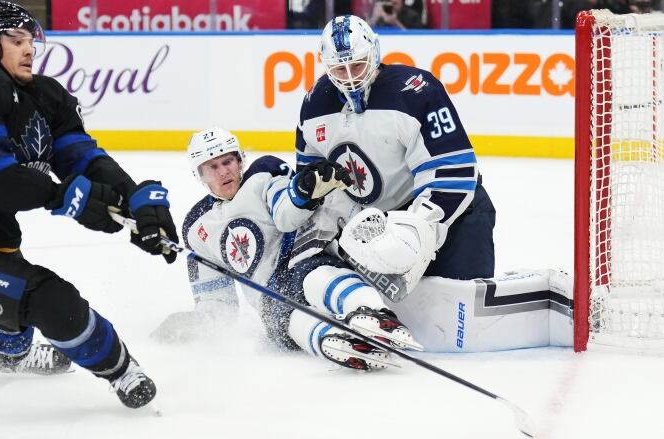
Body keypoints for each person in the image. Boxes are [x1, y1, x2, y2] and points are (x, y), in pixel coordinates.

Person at [0, 1, 179, 409]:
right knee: (53, 302)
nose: (30, 49)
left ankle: (9, 351)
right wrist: (62, 197)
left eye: (32, 41)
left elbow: (83, 159)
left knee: (12, 285)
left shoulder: (45, 96)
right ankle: (121, 371)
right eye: (16, 40)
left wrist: (134, 198)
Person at [292, 15, 574, 352]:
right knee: (376, 310)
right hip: (378, 229)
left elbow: (454, 172)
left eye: (359, 64)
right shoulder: (313, 104)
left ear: (375, 52)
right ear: (326, 66)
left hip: (454, 218)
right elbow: (313, 177)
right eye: (341, 70)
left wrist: (416, 230)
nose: (351, 78)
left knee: (462, 325)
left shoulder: (415, 90)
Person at [153, 127, 422, 370]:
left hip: (301, 261)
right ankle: (337, 343)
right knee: (285, 316)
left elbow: (286, 214)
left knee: (314, 274)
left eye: (228, 161)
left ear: (240, 160)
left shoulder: (263, 174)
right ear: (198, 175)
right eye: (212, 167)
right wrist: (193, 324)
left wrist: (304, 191)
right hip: (271, 299)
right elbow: (218, 303)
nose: (223, 171)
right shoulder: (196, 227)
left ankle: (375, 315)